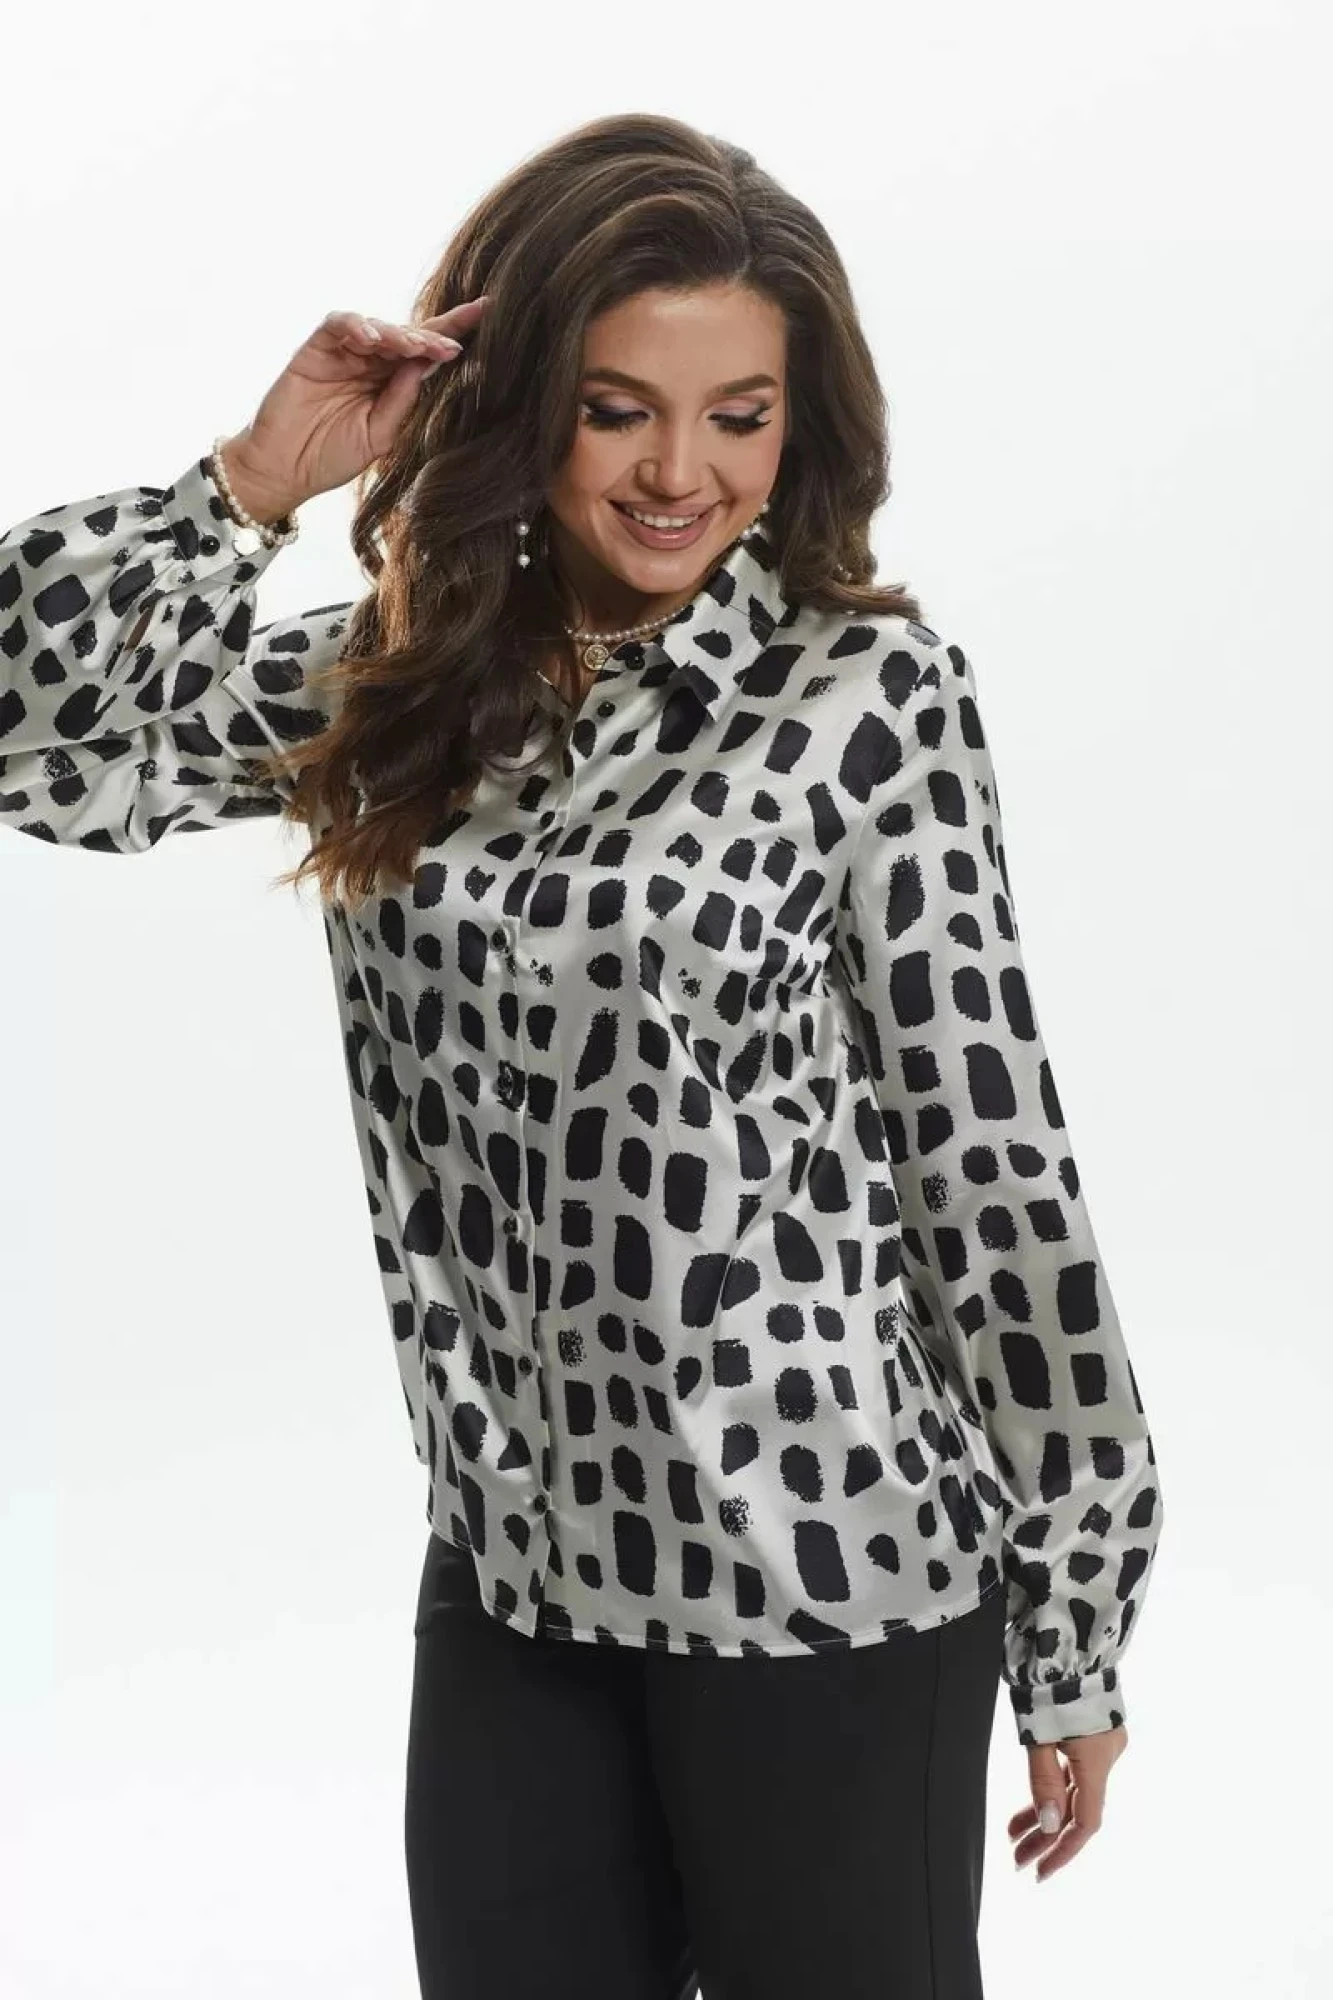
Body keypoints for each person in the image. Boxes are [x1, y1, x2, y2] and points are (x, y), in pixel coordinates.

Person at [0, 112, 1164, 2000]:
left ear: (801, 427)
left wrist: (1078, 1618)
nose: (681, 473)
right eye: (620, 409)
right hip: (518, 1579)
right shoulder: (398, 690)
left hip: (828, 1582)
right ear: (526, 400)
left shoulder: (867, 700)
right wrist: (253, 482)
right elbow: (27, 731)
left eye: (739, 416)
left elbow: (989, 1161)